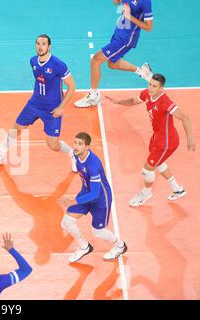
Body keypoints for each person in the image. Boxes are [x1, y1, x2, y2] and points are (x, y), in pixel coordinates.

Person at [0, 34, 77, 172]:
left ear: (49, 46)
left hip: (52, 109)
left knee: (53, 145)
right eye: (38, 44)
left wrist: (61, 107)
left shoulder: (58, 65)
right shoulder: (33, 61)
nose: (40, 47)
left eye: (43, 44)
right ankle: (0, 155)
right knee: (16, 128)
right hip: (34, 104)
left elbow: (72, 86)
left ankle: (72, 154)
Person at [105, 74, 196, 206]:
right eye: (150, 84)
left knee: (147, 169)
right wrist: (117, 101)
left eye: (154, 86)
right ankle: (177, 189)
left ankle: (146, 193)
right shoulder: (147, 94)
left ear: (161, 89)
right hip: (157, 136)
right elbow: (132, 101)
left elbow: (185, 118)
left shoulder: (165, 102)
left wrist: (190, 139)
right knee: (158, 162)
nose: (150, 88)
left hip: (167, 141)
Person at [61, 132, 127, 262]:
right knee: (66, 222)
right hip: (86, 194)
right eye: (75, 142)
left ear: (87, 147)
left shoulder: (93, 165)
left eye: (80, 144)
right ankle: (84, 247)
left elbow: (95, 193)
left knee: (98, 232)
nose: (76, 146)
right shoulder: (76, 154)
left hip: (101, 200)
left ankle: (120, 245)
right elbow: (69, 152)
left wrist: (74, 200)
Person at [75, 0, 154, 108]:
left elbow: (149, 27)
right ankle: (143, 72)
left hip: (126, 39)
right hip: (119, 33)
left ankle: (93, 96)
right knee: (113, 64)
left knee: (96, 60)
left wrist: (129, 17)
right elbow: (117, 2)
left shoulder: (145, 2)